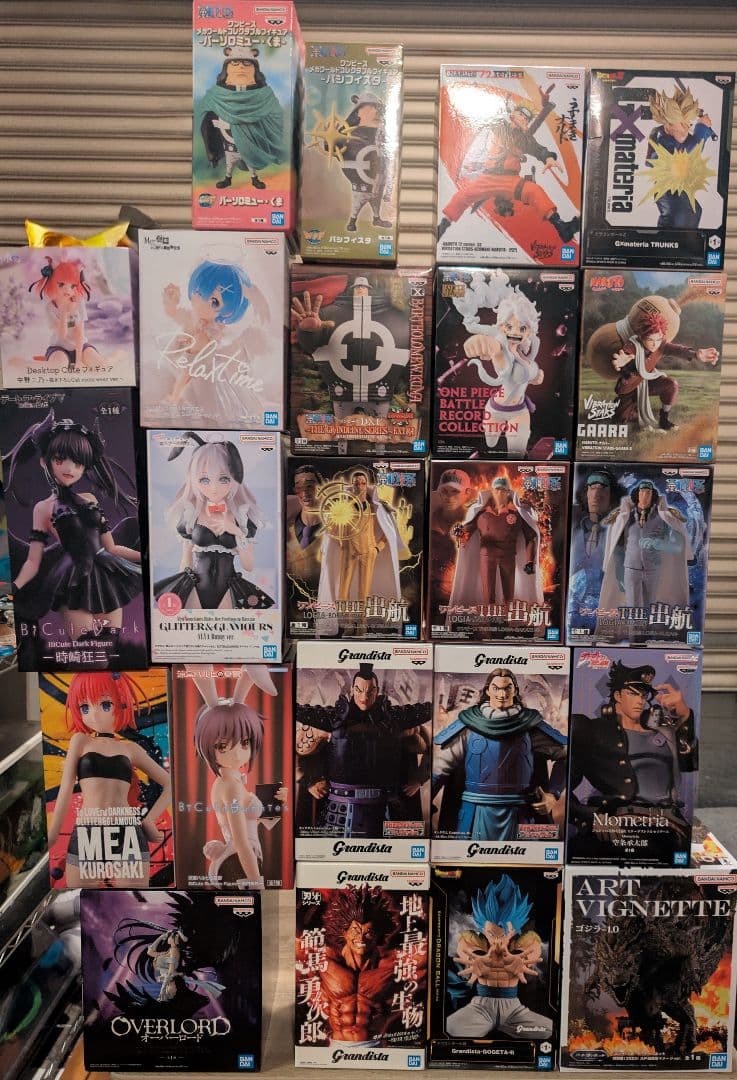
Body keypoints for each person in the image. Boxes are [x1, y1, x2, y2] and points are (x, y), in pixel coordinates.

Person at [4, 412, 142, 644]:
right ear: (44, 461)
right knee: (87, 648)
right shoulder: (43, 508)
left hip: (106, 574)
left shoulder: (89, 499)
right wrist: (15, 586)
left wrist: (146, 559)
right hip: (72, 579)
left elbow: (111, 547)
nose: (70, 468)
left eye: (78, 463)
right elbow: (33, 561)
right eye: (60, 460)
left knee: (110, 647)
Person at [47, 672, 171, 888]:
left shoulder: (131, 749)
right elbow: (65, 788)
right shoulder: (81, 741)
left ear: (121, 704)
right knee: (83, 899)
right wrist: (52, 835)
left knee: (131, 900)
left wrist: (149, 820)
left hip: (128, 833)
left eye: (105, 704)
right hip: (89, 831)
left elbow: (170, 784)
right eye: (85, 707)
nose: (94, 715)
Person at [568, 660, 697, 860]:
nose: (640, 701)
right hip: (620, 824)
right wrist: (592, 817)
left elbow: (689, 764)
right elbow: (562, 789)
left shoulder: (664, 730)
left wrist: (685, 715)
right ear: (618, 696)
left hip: (670, 826)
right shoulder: (592, 730)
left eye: (643, 695)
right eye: (633, 693)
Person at [295, 662, 431, 837]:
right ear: (352, 690)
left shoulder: (396, 720)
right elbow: (296, 750)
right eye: (359, 690)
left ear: (377, 691)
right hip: (340, 807)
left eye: (370, 691)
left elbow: (429, 745)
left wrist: (419, 778)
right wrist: (308, 781)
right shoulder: (329, 721)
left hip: (386, 806)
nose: (364, 697)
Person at [433, 667, 567, 840]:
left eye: (507, 688)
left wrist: (553, 794)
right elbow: (440, 767)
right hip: (475, 813)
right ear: (488, 690)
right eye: (496, 688)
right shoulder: (468, 725)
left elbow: (565, 756)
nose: (502, 694)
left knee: (523, 856)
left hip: (520, 813)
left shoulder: (531, 726)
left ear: (515, 690)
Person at [190, 665, 287, 890]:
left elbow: (250, 824)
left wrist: (276, 802)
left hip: (237, 859)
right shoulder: (230, 787)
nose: (237, 754)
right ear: (207, 747)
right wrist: (256, 882)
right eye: (223, 746)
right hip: (238, 864)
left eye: (244, 743)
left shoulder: (230, 782)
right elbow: (242, 842)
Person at [154, 433, 274, 611]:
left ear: (235, 479)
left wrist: (235, 530)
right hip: (195, 587)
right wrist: (180, 590)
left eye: (224, 479)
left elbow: (248, 566)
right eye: (204, 479)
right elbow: (185, 561)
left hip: (228, 588)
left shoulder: (241, 517)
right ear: (194, 479)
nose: (214, 488)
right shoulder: (190, 514)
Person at [437, 100, 579, 243]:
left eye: (527, 118)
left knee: (534, 191)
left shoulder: (525, 139)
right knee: (462, 196)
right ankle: (442, 227)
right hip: (489, 178)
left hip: (511, 181)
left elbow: (538, 149)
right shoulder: (500, 126)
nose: (523, 119)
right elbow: (487, 120)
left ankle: (562, 227)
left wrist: (548, 158)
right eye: (521, 114)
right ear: (513, 114)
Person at [154, 259, 268, 424]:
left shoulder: (211, 332)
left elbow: (192, 369)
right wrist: (170, 302)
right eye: (199, 293)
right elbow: (175, 314)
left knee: (196, 397)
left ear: (228, 311)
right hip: (191, 365)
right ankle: (177, 397)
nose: (201, 303)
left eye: (214, 302)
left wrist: (175, 396)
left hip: (204, 376)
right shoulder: (193, 317)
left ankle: (177, 398)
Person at [291, 278, 410, 424]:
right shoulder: (328, 314)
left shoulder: (396, 317)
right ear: (352, 288)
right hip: (342, 393)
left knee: (379, 431)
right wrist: (307, 331)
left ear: (369, 289)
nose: (360, 289)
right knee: (343, 430)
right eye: (358, 287)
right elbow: (312, 345)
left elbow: (411, 355)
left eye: (363, 287)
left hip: (379, 394)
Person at [446, 876, 552, 1040]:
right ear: (483, 928)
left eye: (504, 933)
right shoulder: (472, 940)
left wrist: (520, 961)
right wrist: (476, 960)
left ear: (515, 930)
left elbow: (534, 949)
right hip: (480, 1008)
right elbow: (464, 948)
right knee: (449, 1029)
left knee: (549, 1031)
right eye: (491, 933)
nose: (497, 940)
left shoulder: (526, 941)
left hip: (515, 1010)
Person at [452, 278, 544, 454]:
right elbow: (502, 367)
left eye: (522, 328)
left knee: (516, 455)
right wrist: (487, 346)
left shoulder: (528, 350)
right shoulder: (500, 346)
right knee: (490, 444)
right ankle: (459, 286)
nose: (515, 332)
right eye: (509, 326)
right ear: (501, 327)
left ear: (530, 330)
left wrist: (536, 376)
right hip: (495, 410)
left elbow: (525, 376)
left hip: (520, 411)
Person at [610, 309, 719, 433]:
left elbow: (677, 350)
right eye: (650, 340)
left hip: (648, 383)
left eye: (658, 339)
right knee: (620, 423)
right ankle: (629, 408)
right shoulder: (632, 345)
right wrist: (623, 360)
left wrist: (695, 355)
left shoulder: (660, 345)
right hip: (630, 389)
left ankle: (664, 419)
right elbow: (626, 353)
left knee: (671, 384)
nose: (655, 344)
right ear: (641, 337)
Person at [317, 467, 406, 614]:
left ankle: (362, 623)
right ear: (352, 486)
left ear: (366, 485)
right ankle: (345, 621)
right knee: (343, 590)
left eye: (362, 483)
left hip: (368, 552)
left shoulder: (375, 508)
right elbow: (332, 530)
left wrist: (377, 548)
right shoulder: (344, 508)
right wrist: (340, 541)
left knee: (364, 591)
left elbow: (389, 532)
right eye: (356, 483)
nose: (359, 486)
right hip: (349, 553)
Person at [449, 476, 542, 614]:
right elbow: (467, 530)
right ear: (492, 491)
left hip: (508, 556)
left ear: (508, 492)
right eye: (497, 489)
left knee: (509, 594)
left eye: (503, 490)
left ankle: (507, 620)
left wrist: (529, 561)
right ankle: (491, 621)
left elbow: (531, 537)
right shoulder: (482, 512)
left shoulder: (517, 513)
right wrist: (458, 532)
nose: (500, 493)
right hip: (487, 556)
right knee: (488, 594)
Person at [599, 479, 691, 618]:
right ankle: (634, 632)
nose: (644, 496)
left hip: (653, 568)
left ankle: (646, 631)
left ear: (653, 496)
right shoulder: (626, 516)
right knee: (632, 608)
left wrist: (658, 544)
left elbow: (677, 545)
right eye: (642, 492)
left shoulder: (664, 517)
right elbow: (618, 546)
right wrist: (618, 571)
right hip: (630, 567)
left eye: (648, 493)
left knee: (650, 606)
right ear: (637, 495)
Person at [198, 45, 284, 191]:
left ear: (255, 70)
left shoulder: (266, 96)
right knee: (229, 164)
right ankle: (227, 179)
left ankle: (254, 179)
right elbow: (205, 121)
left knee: (250, 163)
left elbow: (277, 119)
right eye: (235, 63)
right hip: (228, 145)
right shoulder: (214, 96)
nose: (241, 67)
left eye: (247, 63)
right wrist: (211, 151)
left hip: (252, 146)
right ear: (226, 69)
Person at [646, 84, 716, 229]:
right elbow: (687, 152)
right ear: (668, 126)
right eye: (681, 124)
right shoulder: (663, 141)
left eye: (688, 124)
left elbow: (692, 149)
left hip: (676, 192)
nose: (687, 128)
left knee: (689, 214)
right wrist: (702, 129)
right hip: (670, 194)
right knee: (684, 216)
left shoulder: (670, 137)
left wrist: (704, 130)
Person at [29, 255, 102, 370]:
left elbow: (79, 332)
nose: (68, 290)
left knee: (100, 365)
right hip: (59, 348)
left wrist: (78, 361)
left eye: (73, 286)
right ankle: (24, 363)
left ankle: (116, 356)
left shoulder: (79, 303)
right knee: (58, 366)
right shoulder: (50, 308)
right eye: (61, 284)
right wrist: (64, 311)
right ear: (51, 283)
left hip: (80, 347)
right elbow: (62, 335)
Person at [339, 92, 392, 232]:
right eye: (368, 108)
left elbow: (387, 150)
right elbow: (339, 149)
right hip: (361, 179)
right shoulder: (351, 133)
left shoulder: (383, 131)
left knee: (376, 198)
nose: (373, 111)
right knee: (360, 199)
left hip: (378, 174)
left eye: (375, 108)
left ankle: (376, 218)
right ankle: (352, 221)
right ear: (358, 112)